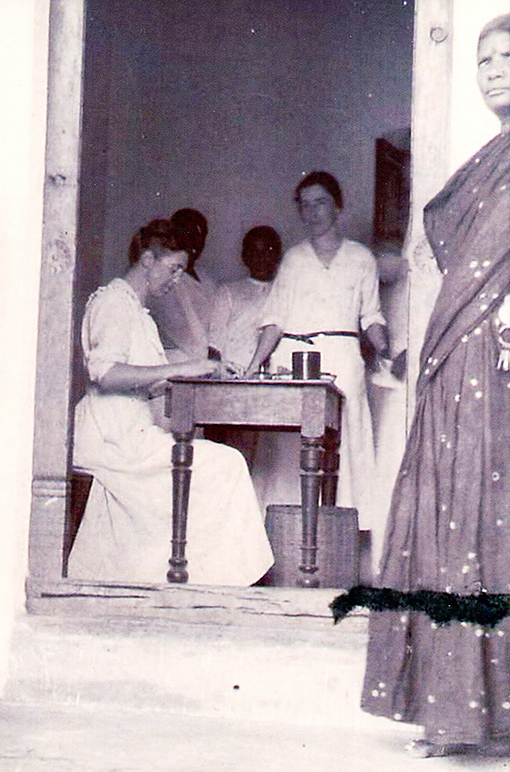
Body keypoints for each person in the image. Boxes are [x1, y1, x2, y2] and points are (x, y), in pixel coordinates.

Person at [361, 14, 510, 757]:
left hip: (502, 357)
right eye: (483, 60)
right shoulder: (493, 160)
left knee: (493, 517)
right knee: (451, 513)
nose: (494, 70)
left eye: (508, 56)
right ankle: (453, 714)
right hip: (461, 358)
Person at [68, 218, 273, 587]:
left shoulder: (138, 314)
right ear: (147, 260)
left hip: (132, 433)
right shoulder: (113, 302)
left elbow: (147, 382)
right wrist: (190, 366)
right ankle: (218, 581)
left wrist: (204, 372)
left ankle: (211, 579)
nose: (177, 279)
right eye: (173, 268)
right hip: (111, 439)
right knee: (226, 465)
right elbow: (106, 374)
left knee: (223, 464)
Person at [245, 172, 388, 534]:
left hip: (343, 358)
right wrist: (253, 366)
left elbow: (371, 315)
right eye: (304, 204)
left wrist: (386, 348)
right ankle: (286, 533)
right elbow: (275, 318)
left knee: (343, 447)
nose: (312, 212)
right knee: (290, 448)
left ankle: (338, 533)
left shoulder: (361, 259)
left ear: (337, 206)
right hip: (296, 358)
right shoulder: (293, 260)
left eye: (320, 202)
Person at [209, 225, 283, 374]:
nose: (260, 258)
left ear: (278, 255)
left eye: (267, 251)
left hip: (274, 377)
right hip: (234, 375)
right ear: (244, 256)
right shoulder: (228, 292)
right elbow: (214, 345)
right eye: (254, 252)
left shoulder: (285, 292)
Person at [148, 208, 216, 362]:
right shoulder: (166, 280)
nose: (195, 242)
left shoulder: (207, 278)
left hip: (205, 360)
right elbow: (182, 331)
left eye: (201, 235)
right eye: (189, 233)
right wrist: (209, 357)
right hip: (177, 360)